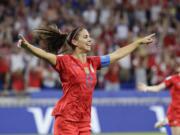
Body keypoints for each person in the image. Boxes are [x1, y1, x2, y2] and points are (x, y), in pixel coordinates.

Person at [17, 25, 155, 135]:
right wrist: (27, 46)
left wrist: (138, 43)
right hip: (66, 120)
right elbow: (45, 55)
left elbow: (117, 54)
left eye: (90, 36)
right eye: (85, 37)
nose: (90, 39)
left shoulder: (93, 62)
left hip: (84, 121)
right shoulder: (64, 61)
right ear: (75, 42)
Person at [138, 66, 180, 135]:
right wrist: (146, 88)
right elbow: (158, 88)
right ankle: (167, 120)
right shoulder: (173, 79)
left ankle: (166, 121)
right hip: (176, 112)